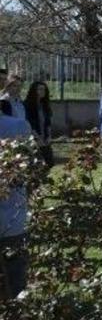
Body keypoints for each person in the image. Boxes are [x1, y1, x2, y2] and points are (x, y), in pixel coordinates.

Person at [0, 110, 33, 300]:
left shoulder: (18, 125)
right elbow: (28, 169)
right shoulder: (19, 126)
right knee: (14, 277)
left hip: (11, 213)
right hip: (13, 216)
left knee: (14, 273)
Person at [23, 81, 53, 167]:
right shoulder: (27, 105)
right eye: (40, 89)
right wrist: (37, 138)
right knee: (35, 165)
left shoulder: (44, 105)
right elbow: (28, 123)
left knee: (49, 164)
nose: (43, 91)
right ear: (34, 91)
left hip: (45, 140)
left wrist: (48, 137)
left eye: (44, 89)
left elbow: (48, 123)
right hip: (33, 138)